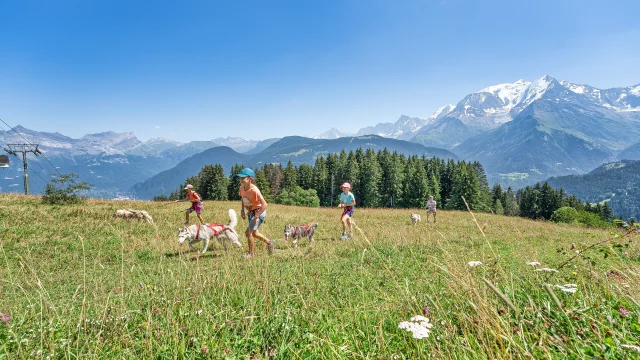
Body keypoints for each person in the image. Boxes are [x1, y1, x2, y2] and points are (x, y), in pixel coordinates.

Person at [237, 167, 275, 258]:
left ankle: (251, 254)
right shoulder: (242, 188)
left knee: (248, 233)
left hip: (259, 212)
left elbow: (265, 205)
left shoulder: (255, 190)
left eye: (243, 177)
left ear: (250, 179)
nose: (241, 179)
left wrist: (256, 217)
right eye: (240, 177)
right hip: (251, 213)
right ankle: (270, 243)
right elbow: (243, 198)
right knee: (254, 233)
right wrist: (242, 210)